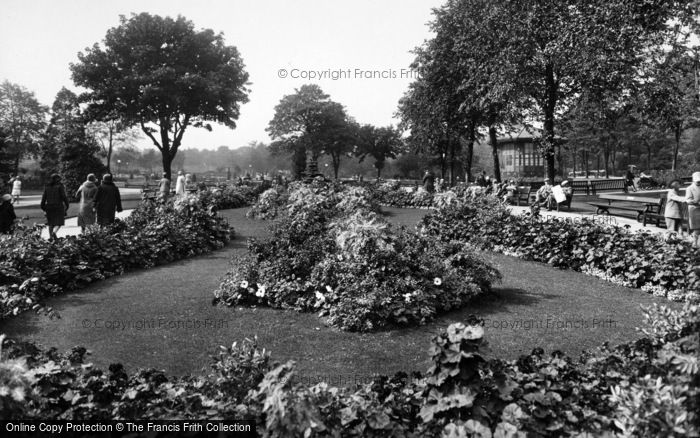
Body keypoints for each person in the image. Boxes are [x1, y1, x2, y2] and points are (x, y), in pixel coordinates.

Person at [40, 173, 70, 240]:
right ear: (57, 179)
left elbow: (44, 198)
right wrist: (67, 205)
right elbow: (63, 196)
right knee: (59, 222)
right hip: (58, 206)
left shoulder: (47, 186)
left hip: (49, 207)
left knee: (51, 223)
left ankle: (51, 237)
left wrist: (43, 207)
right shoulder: (60, 186)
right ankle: (54, 232)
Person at [685, 172, 700, 247]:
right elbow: (688, 200)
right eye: (697, 181)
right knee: (697, 228)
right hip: (694, 210)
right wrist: (696, 202)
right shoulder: (689, 188)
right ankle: (695, 243)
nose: (699, 182)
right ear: (693, 180)